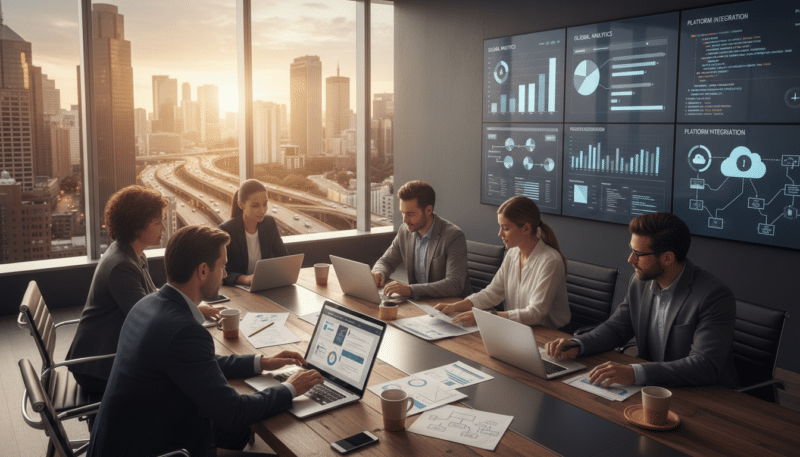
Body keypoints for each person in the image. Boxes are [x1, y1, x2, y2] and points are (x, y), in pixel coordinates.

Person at [88, 226, 323, 457]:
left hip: (124, 442)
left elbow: (198, 363)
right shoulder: (183, 331)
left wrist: (261, 362)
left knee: (238, 432)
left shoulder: (148, 304)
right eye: (222, 266)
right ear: (202, 270)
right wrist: (291, 387)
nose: (224, 274)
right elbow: (234, 412)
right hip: (157, 449)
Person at [546, 212, 739, 389]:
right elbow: (616, 328)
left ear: (668, 258)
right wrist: (578, 344)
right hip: (654, 388)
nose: (631, 259)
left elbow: (704, 366)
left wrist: (634, 372)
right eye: (631, 250)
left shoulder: (713, 296)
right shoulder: (640, 283)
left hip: (703, 395)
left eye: (638, 254)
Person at [67, 185, 224, 399]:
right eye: (157, 222)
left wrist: (195, 307)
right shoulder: (121, 266)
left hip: (107, 355)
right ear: (137, 226)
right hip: (98, 367)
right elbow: (149, 321)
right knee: (187, 379)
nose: (163, 229)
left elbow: (153, 298)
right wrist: (189, 316)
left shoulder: (132, 255)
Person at [434, 195, 570, 328]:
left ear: (526, 229)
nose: (500, 234)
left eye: (506, 228)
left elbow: (535, 314)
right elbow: (493, 292)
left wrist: (487, 317)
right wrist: (455, 307)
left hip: (550, 336)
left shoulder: (550, 261)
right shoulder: (513, 254)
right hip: (518, 328)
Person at [371, 180, 471, 299]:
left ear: (428, 210)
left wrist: (411, 290)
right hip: (421, 303)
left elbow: (454, 284)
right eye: (402, 213)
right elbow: (386, 262)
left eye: (410, 214)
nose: (405, 220)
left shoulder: (453, 236)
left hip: (453, 306)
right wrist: (378, 272)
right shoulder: (405, 231)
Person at [220, 179, 289, 286]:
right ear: (241, 205)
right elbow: (217, 273)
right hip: (239, 290)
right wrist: (243, 279)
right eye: (255, 206)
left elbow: (283, 257)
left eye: (265, 204)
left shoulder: (269, 223)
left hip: (265, 286)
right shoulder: (226, 230)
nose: (262, 210)